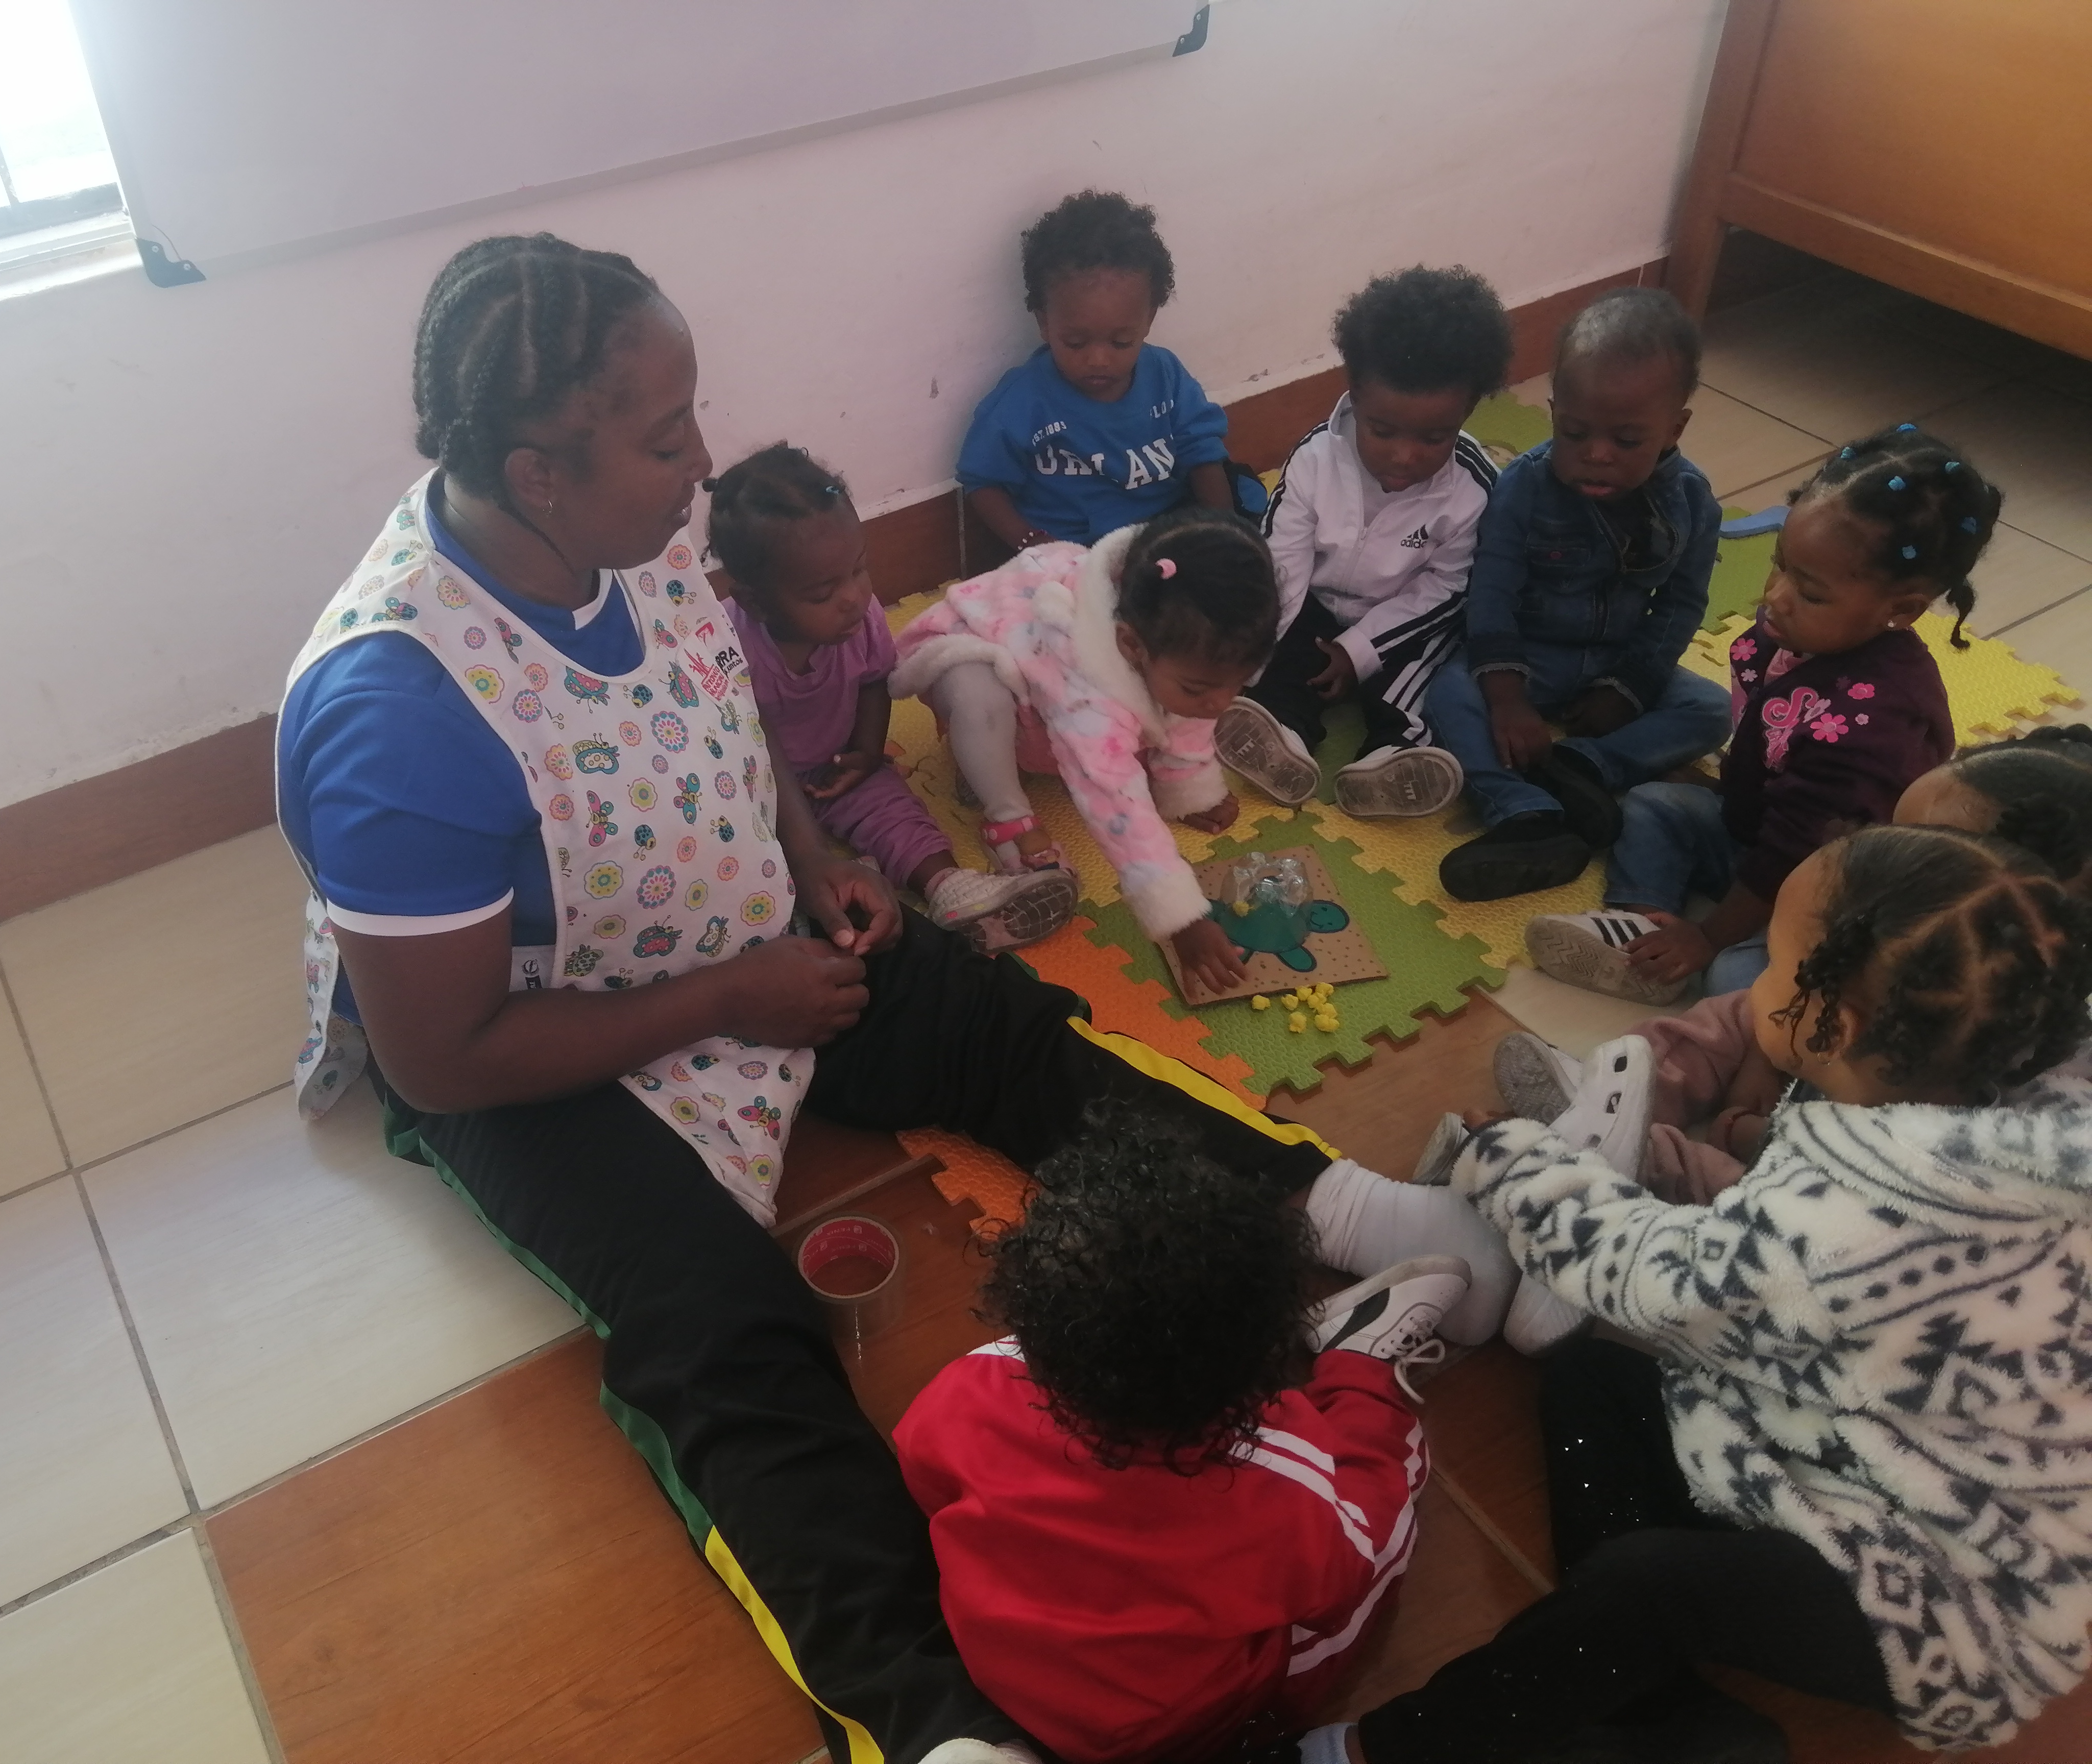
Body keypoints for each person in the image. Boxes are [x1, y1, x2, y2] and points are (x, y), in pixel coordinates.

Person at [275, 231, 1512, 1764]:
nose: (701, 461)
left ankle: (1347, 1212)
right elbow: (443, 1058)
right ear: (537, 475)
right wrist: (731, 995)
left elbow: (720, 718)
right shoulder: (393, 712)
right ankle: (929, 1727)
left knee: (1006, 1032)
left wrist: (814, 856)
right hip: (545, 1052)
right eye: (665, 437)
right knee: (720, 1329)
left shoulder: (642, 538)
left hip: (743, 937)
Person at [1303, 824, 2092, 1764]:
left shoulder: (1851, 1224)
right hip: (1870, 1446)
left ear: (1836, 1022)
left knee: (1652, 1586)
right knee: (1590, 1379)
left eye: (1776, 965)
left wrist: (1510, 1162)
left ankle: (1376, 1752)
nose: (1750, 983)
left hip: (1958, 1599)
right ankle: (1676, 1721)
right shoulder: (2008, 1115)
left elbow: (1652, 1278)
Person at [896, 1101, 1469, 1764]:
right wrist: (1366, 1399)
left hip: (1001, 1677)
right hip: (1169, 1733)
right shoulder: (1273, 1488)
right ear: (1263, 1369)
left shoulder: (970, 1385)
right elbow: (1354, 1562)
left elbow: (923, 1474)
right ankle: (1363, 1360)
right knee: (1379, 1537)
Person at [1491, 721, 2092, 1204]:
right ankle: (1612, 1088)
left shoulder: (1964, 1126)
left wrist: (1758, 1137)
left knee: (1756, 1014)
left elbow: (1793, 1212)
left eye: (1919, 853)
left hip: (1830, 1178)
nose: (1878, 848)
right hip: (1841, 1041)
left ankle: (1622, 1148)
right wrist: (1764, 1057)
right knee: (1743, 1009)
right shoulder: (1918, 964)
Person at [1523, 425, 1995, 1003]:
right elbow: (1770, 750)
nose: (1776, 595)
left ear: (1901, 611)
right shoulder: (1800, 634)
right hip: (1757, 833)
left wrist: (1710, 937)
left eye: (1811, 592)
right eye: (1780, 564)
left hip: (1829, 893)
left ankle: (1719, 965)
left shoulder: (1870, 727)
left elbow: (1796, 851)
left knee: (1733, 977)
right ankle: (1640, 930)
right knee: (1655, 805)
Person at [704, 443, 1076, 954]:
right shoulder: (726, 646)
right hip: (754, 787)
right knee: (730, 855)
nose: (853, 598)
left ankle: (948, 887)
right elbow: (737, 742)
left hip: (836, 766)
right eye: (822, 593)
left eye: (859, 569)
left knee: (894, 809)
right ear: (755, 602)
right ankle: (819, 905)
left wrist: (865, 752)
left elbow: (874, 681)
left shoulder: (860, 619)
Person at [1425, 287, 1731, 902]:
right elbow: (1491, 594)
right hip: (1533, 657)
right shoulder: (1524, 487)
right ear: (1554, 411)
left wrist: (1630, 688)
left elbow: (1680, 606)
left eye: (1627, 441)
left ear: (1674, 429)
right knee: (1449, 691)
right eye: (1574, 432)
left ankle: (1586, 765)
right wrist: (1508, 699)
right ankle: (1523, 812)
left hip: (1621, 658)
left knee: (1713, 709)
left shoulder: (1693, 501)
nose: (1596, 455)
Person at [890, 507, 1271, 1000]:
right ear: (1131, 645)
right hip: (981, 656)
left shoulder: (1177, 627)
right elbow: (1112, 796)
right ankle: (1005, 811)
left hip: (1052, 687)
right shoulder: (1090, 688)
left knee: (1170, 706)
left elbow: (1189, 712)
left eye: (1237, 684)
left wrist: (1187, 789)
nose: (1220, 704)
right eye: (1201, 688)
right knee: (979, 697)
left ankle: (997, 755)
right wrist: (1182, 918)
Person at [1218, 266, 1512, 817]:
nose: (1404, 456)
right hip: (1316, 604)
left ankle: (1393, 754)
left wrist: (1360, 651)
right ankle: (1284, 731)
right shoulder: (1315, 458)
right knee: (1280, 651)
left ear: (1467, 411)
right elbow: (1281, 562)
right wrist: (1251, 657)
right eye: (1382, 431)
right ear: (1353, 394)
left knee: (1422, 671)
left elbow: (1448, 589)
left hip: (1404, 619)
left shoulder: (1474, 488)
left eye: (1434, 437)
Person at [956, 190, 1257, 553]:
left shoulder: (1166, 375)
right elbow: (982, 481)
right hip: (1075, 550)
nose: (1098, 360)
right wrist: (1033, 544)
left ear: (1148, 320)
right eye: (1076, 343)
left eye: (1120, 342)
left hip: (1165, 530)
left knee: (1246, 502)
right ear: (1044, 323)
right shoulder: (1022, 401)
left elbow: (1203, 453)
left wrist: (1220, 531)